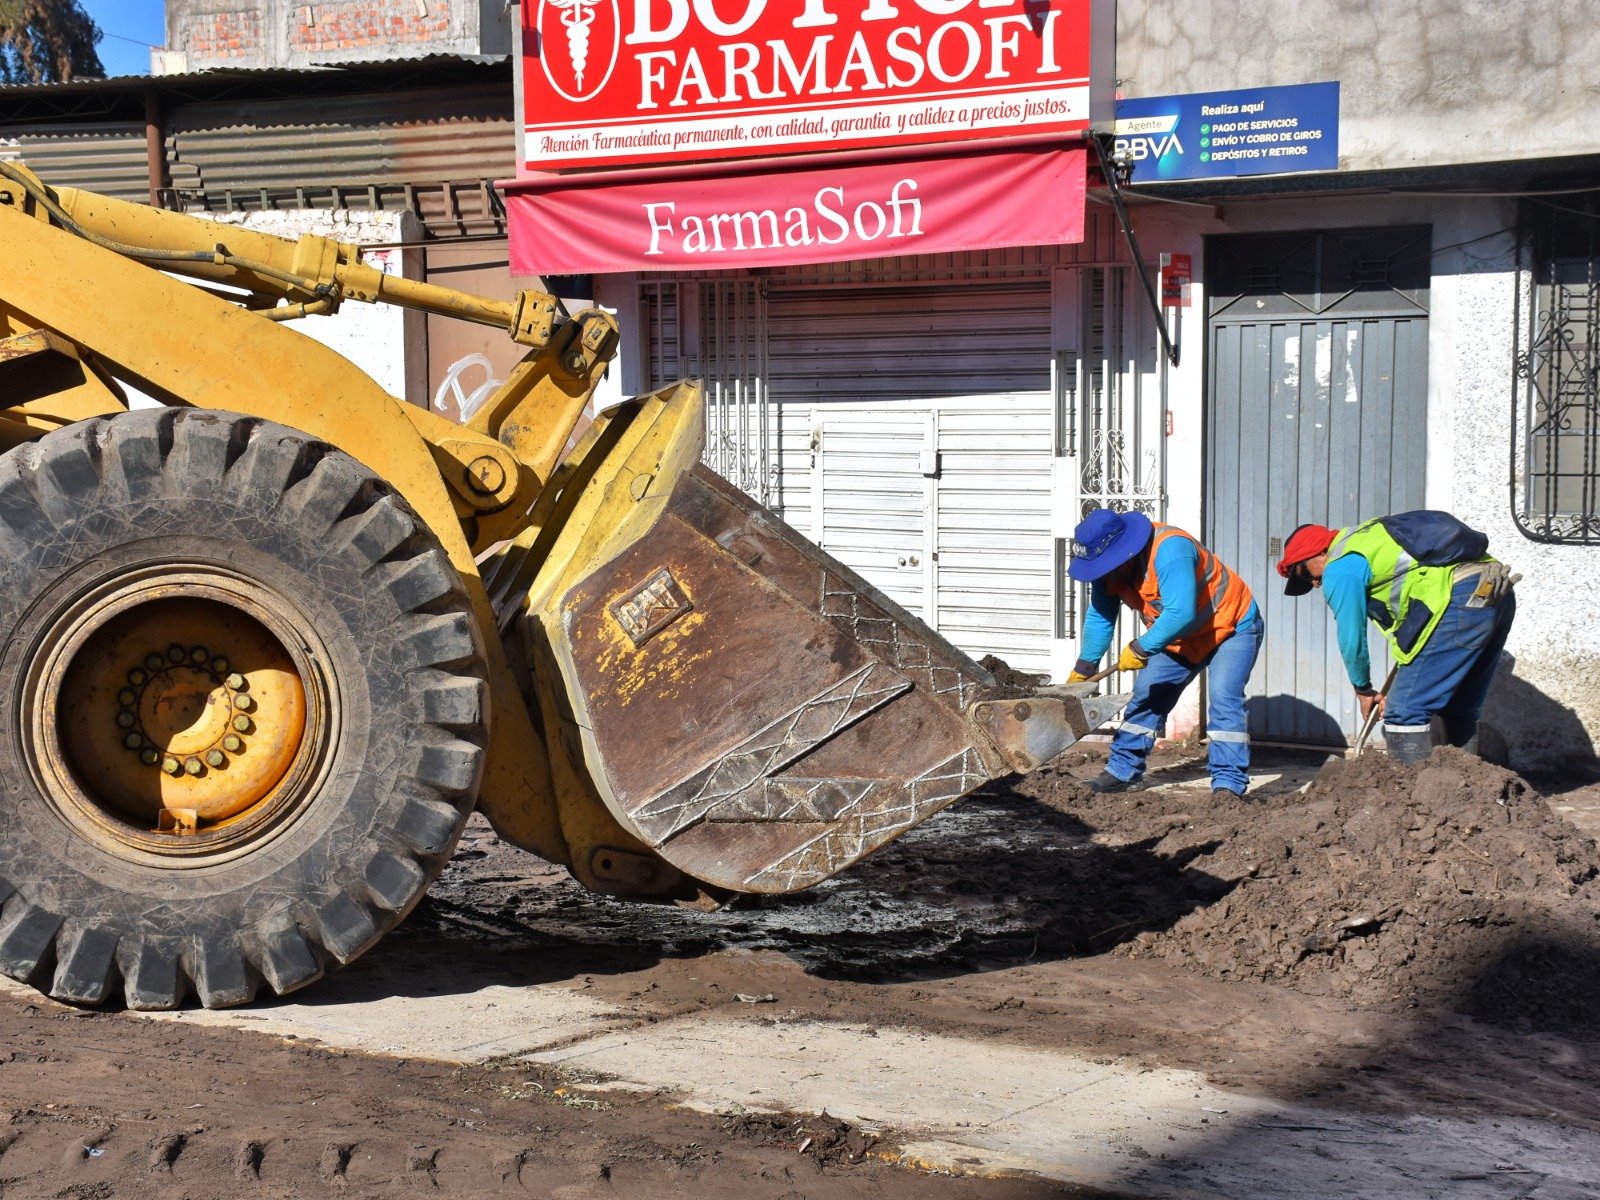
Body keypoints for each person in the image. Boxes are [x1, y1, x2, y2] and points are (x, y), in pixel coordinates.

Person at [1274, 511, 1518, 765]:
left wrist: (1363, 689)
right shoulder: (1366, 538)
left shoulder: (1340, 567)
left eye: (1304, 573)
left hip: (1457, 599)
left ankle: (1413, 800)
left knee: (1404, 710)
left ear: (1319, 552)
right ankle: (1467, 793)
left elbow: (1351, 637)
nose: (1314, 583)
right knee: (1460, 708)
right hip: (1495, 590)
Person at [1066, 506, 1262, 799]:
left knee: (1224, 700)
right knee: (1146, 694)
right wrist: (1085, 667)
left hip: (1231, 627)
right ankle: (1123, 772)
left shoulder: (1171, 550)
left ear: (1124, 552)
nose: (1104, 574)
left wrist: (1140, 647)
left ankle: (1228, 785)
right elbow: (1101, 616)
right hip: (1181, 636)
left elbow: (1180, 611)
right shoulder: (1107, 569)